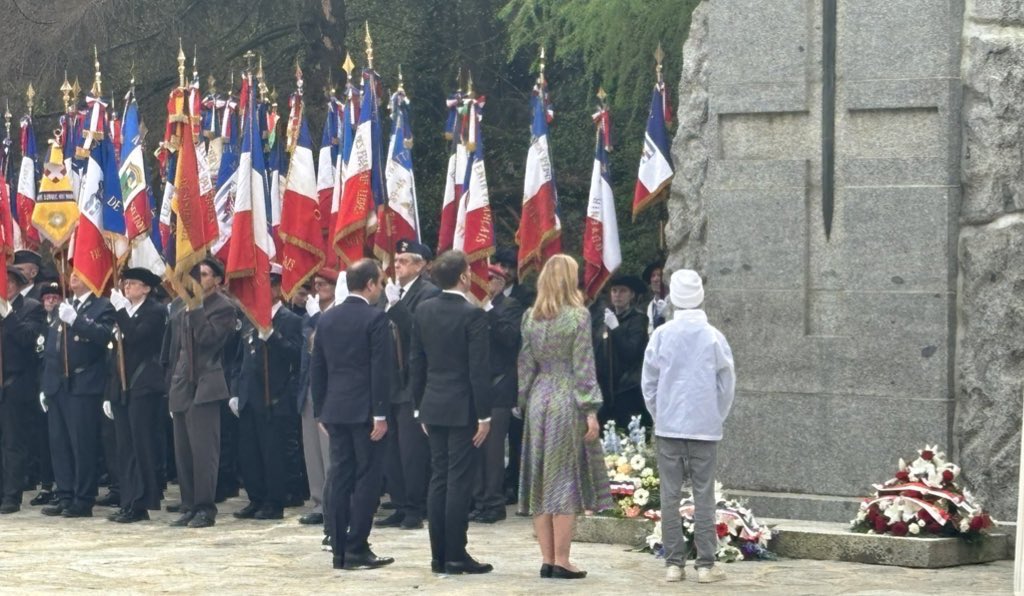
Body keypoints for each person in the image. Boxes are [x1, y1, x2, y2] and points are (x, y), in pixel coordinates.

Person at [518, 254, 611, 580]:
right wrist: (590, 410)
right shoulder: (578, 317)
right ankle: (562, 559)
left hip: (538, 397)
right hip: (565, 398)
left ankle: (546, 559)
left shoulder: (530, 317)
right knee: (563, 480)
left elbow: (525, 364)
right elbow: (584, 367)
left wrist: (522, 400)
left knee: (540, 480)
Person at [642, 269, 735, 585]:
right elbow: (727, 382)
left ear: (673, 297)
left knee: (669, 496)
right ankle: (706, 564)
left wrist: (660, 413)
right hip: (704, 427)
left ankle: (674, 563)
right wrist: (715, 414)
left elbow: (649, 382)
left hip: (669, 426)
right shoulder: (713, 336)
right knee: (704, 496)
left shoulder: (662, 335)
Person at [409, 250, 492, 575]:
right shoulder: (472, 314)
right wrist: (484, 415)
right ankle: (455, 553)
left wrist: (419, 407)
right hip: (462, 406)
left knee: (439, 478)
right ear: (462, 277)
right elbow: (478, 371)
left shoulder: (423, 310)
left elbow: (417, 363)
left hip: (433, 402)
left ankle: (438, 555)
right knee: (457, 480)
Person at [311, 258, 394, 570]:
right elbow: (380, 370)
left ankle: (337, 547)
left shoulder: (327, 319)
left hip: (335, 409)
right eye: (380, 283)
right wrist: (381, 414)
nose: (380, 289)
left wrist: (320, 410)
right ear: (370, 284)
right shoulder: (376, 319)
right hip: (366, 412)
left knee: (340, 476)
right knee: (368, 478)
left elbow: (317, 368)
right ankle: (357, 544)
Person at [163, 257, 235, 528]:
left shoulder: (223, 307)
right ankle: (189, 504)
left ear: (216, 279)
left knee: (204, 451)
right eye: (196, 274)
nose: (199, 279)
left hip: (205, 384)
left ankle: (205, 507)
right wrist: (170, 384)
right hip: (182, 384)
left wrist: (196, 309)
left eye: (204, 274)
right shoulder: (183, 305)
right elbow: (175, 349)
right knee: (183, 452)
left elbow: (208, 340)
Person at [229, 264, 303, 521]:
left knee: (273, 453)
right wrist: (235, 391)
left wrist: (272, 336)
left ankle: (274, 502)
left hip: (275, 396)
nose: (263, 290)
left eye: (270, 285)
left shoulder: (290, 320)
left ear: (278, 289)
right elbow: (240, 360)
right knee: (249, 453)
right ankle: (256, 498)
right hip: (250, 396)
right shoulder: (250, 318)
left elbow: (296, 354)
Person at [39, 271, 115, 518]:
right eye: (71, 273)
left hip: (83, 383)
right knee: (59, 444)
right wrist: (45, 385)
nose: (73, 277)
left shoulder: (102, 306)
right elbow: (52, 349)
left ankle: (83, 498)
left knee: (82, 444)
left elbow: (104, 337)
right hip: (58, 385)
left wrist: (77, 321)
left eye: (80, 272)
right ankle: (65, 495)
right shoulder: (65, 305)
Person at [377, 239, 439, 531]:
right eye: (397, 260)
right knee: (391, 451)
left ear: (421, 264)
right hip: (390, 381)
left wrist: (396, 307)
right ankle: (401, 504)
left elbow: (421, 330)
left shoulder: (428, 293)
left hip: (413, 383)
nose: (397, 265)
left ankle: (416, 507)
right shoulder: (394, 292)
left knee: (412, 451)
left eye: (403, 261)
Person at [103, 268, 168, 523]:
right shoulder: (124, 312)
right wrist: (110, 393)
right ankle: (128, 499)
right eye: (125, 283)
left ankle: (142, 502)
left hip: (143, 385)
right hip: (122, 386)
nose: (127, 287)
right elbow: (114, 355)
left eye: (133, 284)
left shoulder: (154, 311)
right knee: (124, 447)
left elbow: (138, 337)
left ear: (147, 288)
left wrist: (119, 311)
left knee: (141, 445)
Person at [470, 264, 522, 524]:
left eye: (489, 278)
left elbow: (510, 339)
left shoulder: (509, 306)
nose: (484, 282)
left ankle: (493, 502)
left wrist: (489, 311)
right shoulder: (471, 306)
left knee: (492, 448)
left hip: (499, 385)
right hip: (476, 385)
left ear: (500, 282)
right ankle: (478, 499)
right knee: (475, 445)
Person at [0, 266, 46, 513]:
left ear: (17, 284)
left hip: (15, 383)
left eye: (6, 282)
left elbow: (28, 338)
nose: (3, 287)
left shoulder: (30, 308)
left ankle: (11, 495)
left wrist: (8, 315)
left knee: (12, 443)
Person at [296, 268, 338, 529]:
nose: (319, 288)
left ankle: (333, 502)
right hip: (310, 386)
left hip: (333, 390)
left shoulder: (337, 314)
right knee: (312, 450)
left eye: (325, 283)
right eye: (316, 284)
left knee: (329, 450)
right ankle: (319, 501)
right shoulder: (310, 317)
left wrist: (319, 319)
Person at [594, 274, 650, 429]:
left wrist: (616, 328)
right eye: (614, 291)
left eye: (623, 291)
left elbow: (631, 352)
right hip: (606, 388)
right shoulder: (604, 319)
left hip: (627, 388)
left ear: (631, 295)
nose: (617, 295)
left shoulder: (638, 319)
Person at [28, 281, 62, 507]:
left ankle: (62, 485)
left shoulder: (64, 322)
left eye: (55, 297)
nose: (51, 300)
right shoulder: (39, 325)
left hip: (59, 387)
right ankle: (47, 484)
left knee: (60, 441)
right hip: (39, 388)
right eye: (47, 297)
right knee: (43, 441)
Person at [642, 259, 668, 335]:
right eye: (653, 276)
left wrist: (668, 314)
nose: (656, 279)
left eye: (660, 275)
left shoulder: (674, 301)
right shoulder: (650, 307)